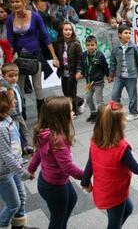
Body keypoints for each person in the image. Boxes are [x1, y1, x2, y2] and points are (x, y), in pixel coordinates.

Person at [81, 100, 138, 228]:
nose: (126, 121)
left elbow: (90, 163)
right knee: (114, 223)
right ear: (117, 125)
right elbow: (137, 169)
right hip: (115, 194)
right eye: (124, 119)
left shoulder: (95, 141)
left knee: (128, 209)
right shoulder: (121, 148)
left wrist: (85, 182)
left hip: (105, 190)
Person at [28, 96, 84, 229]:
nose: (73, 113)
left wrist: (30, 169)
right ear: (61, 116)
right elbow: (68, 167)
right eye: (70, 111)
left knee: (72, 199)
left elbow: (38, 154)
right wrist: (87, 176)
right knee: (57, 219)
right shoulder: (57, 139)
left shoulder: (46, 132)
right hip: (54, 186)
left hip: (48, 181)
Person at [6, 0, 59, 114]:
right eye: (12, 2)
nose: (15, 4)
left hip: (35, 56)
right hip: (19, 57)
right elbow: (10, 40)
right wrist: (9, 60)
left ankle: (41, 116)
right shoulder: (10, 18)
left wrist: (54, 56)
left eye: (17, 1)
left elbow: (45, 37)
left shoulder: (35, 16)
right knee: (18, 88)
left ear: (23, 2)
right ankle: (21, 114)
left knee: (38, 87)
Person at [0, 84, 36, 229]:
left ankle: (19, 225)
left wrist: (21, 160)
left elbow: (14, 147)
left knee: (22, 197)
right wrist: (23, 173)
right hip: (4, 173)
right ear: (4, 105)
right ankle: (2, 224)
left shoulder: (9, 120)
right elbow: (7, 155)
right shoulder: (1, 128)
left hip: (13, 168)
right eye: (13, 99)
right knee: (13, 204)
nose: (16, 101)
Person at [108, 25, 138, 121]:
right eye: (126, 33)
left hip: (131, 76)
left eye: (129, 33)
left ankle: (134, 113)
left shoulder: (133, 47)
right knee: (114, 95)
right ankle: (116, 112)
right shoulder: (116, 47)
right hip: (119, 76)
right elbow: (113, 62)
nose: (128, 35)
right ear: (120, 35)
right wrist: (111, 74)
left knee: (132, 96)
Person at [1, 64, 33, 156]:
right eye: (10, 76)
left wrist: (22, 106)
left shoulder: (15, 85)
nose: (14, 78)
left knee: (24, 130)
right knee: (15, 134)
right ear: (3, 76)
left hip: (19, 113)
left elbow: (19, 96)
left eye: (16, 75)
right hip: (12, 115)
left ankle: (26, 147)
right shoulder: (5, 89)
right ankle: (17, 152)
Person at [53, 22, 85, 116]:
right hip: (63, 72)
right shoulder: (58, 43)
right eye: (66, 30)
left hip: (73, 73)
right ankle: (81, 101)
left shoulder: (76, 44)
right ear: (61, 31)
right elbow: (57, 57)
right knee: (65, 92)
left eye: (70, 30)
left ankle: (74, 111)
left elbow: (80, 59)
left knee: (71, 92)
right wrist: (56, 63)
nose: (68, 32)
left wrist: (79, 71)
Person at [79, 35, 109, 122]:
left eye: (92, 45)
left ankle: (101, 116)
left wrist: (109, 76)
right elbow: (82, 66)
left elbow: (105, 67)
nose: (90, 47)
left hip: (98, 82)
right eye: (88, 45)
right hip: (88, 82)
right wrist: (80, 73)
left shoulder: (100, 55)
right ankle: (93, 113)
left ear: (96, 45)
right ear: (85, 45)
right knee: (88, 99)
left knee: (99, 100)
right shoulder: (84, 55)